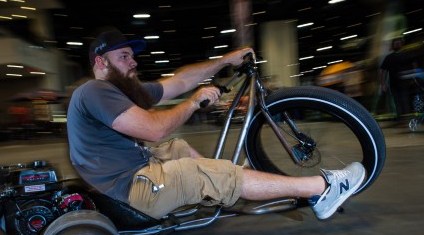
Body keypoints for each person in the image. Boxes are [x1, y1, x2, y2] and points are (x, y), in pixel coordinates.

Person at [67, 29, 365, 221]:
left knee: (177, 148)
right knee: (198, 169)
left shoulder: (119, 90)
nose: (132, 62)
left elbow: (180, 81)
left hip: (132, 175)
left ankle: (225, 183)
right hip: (131, 191)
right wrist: (193, 103)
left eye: (132, 56)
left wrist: (225, 61)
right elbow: (153, 129)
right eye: (123, 56)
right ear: (101, 62)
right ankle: (321, 190)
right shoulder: (94, 91)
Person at [380, 36, 413, 120]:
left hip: (405, 83)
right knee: (397, 102)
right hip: (394, 84)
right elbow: (384, 71)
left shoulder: (407, 55)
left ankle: (406, 118)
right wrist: (383, 84)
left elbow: (413, 67)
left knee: (404, 100)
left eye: (398, 43)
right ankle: (401, 118)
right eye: (395, 44)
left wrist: (413, 79)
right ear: (393, 45)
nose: (396, 45)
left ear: (402, 44)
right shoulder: (389, 57)